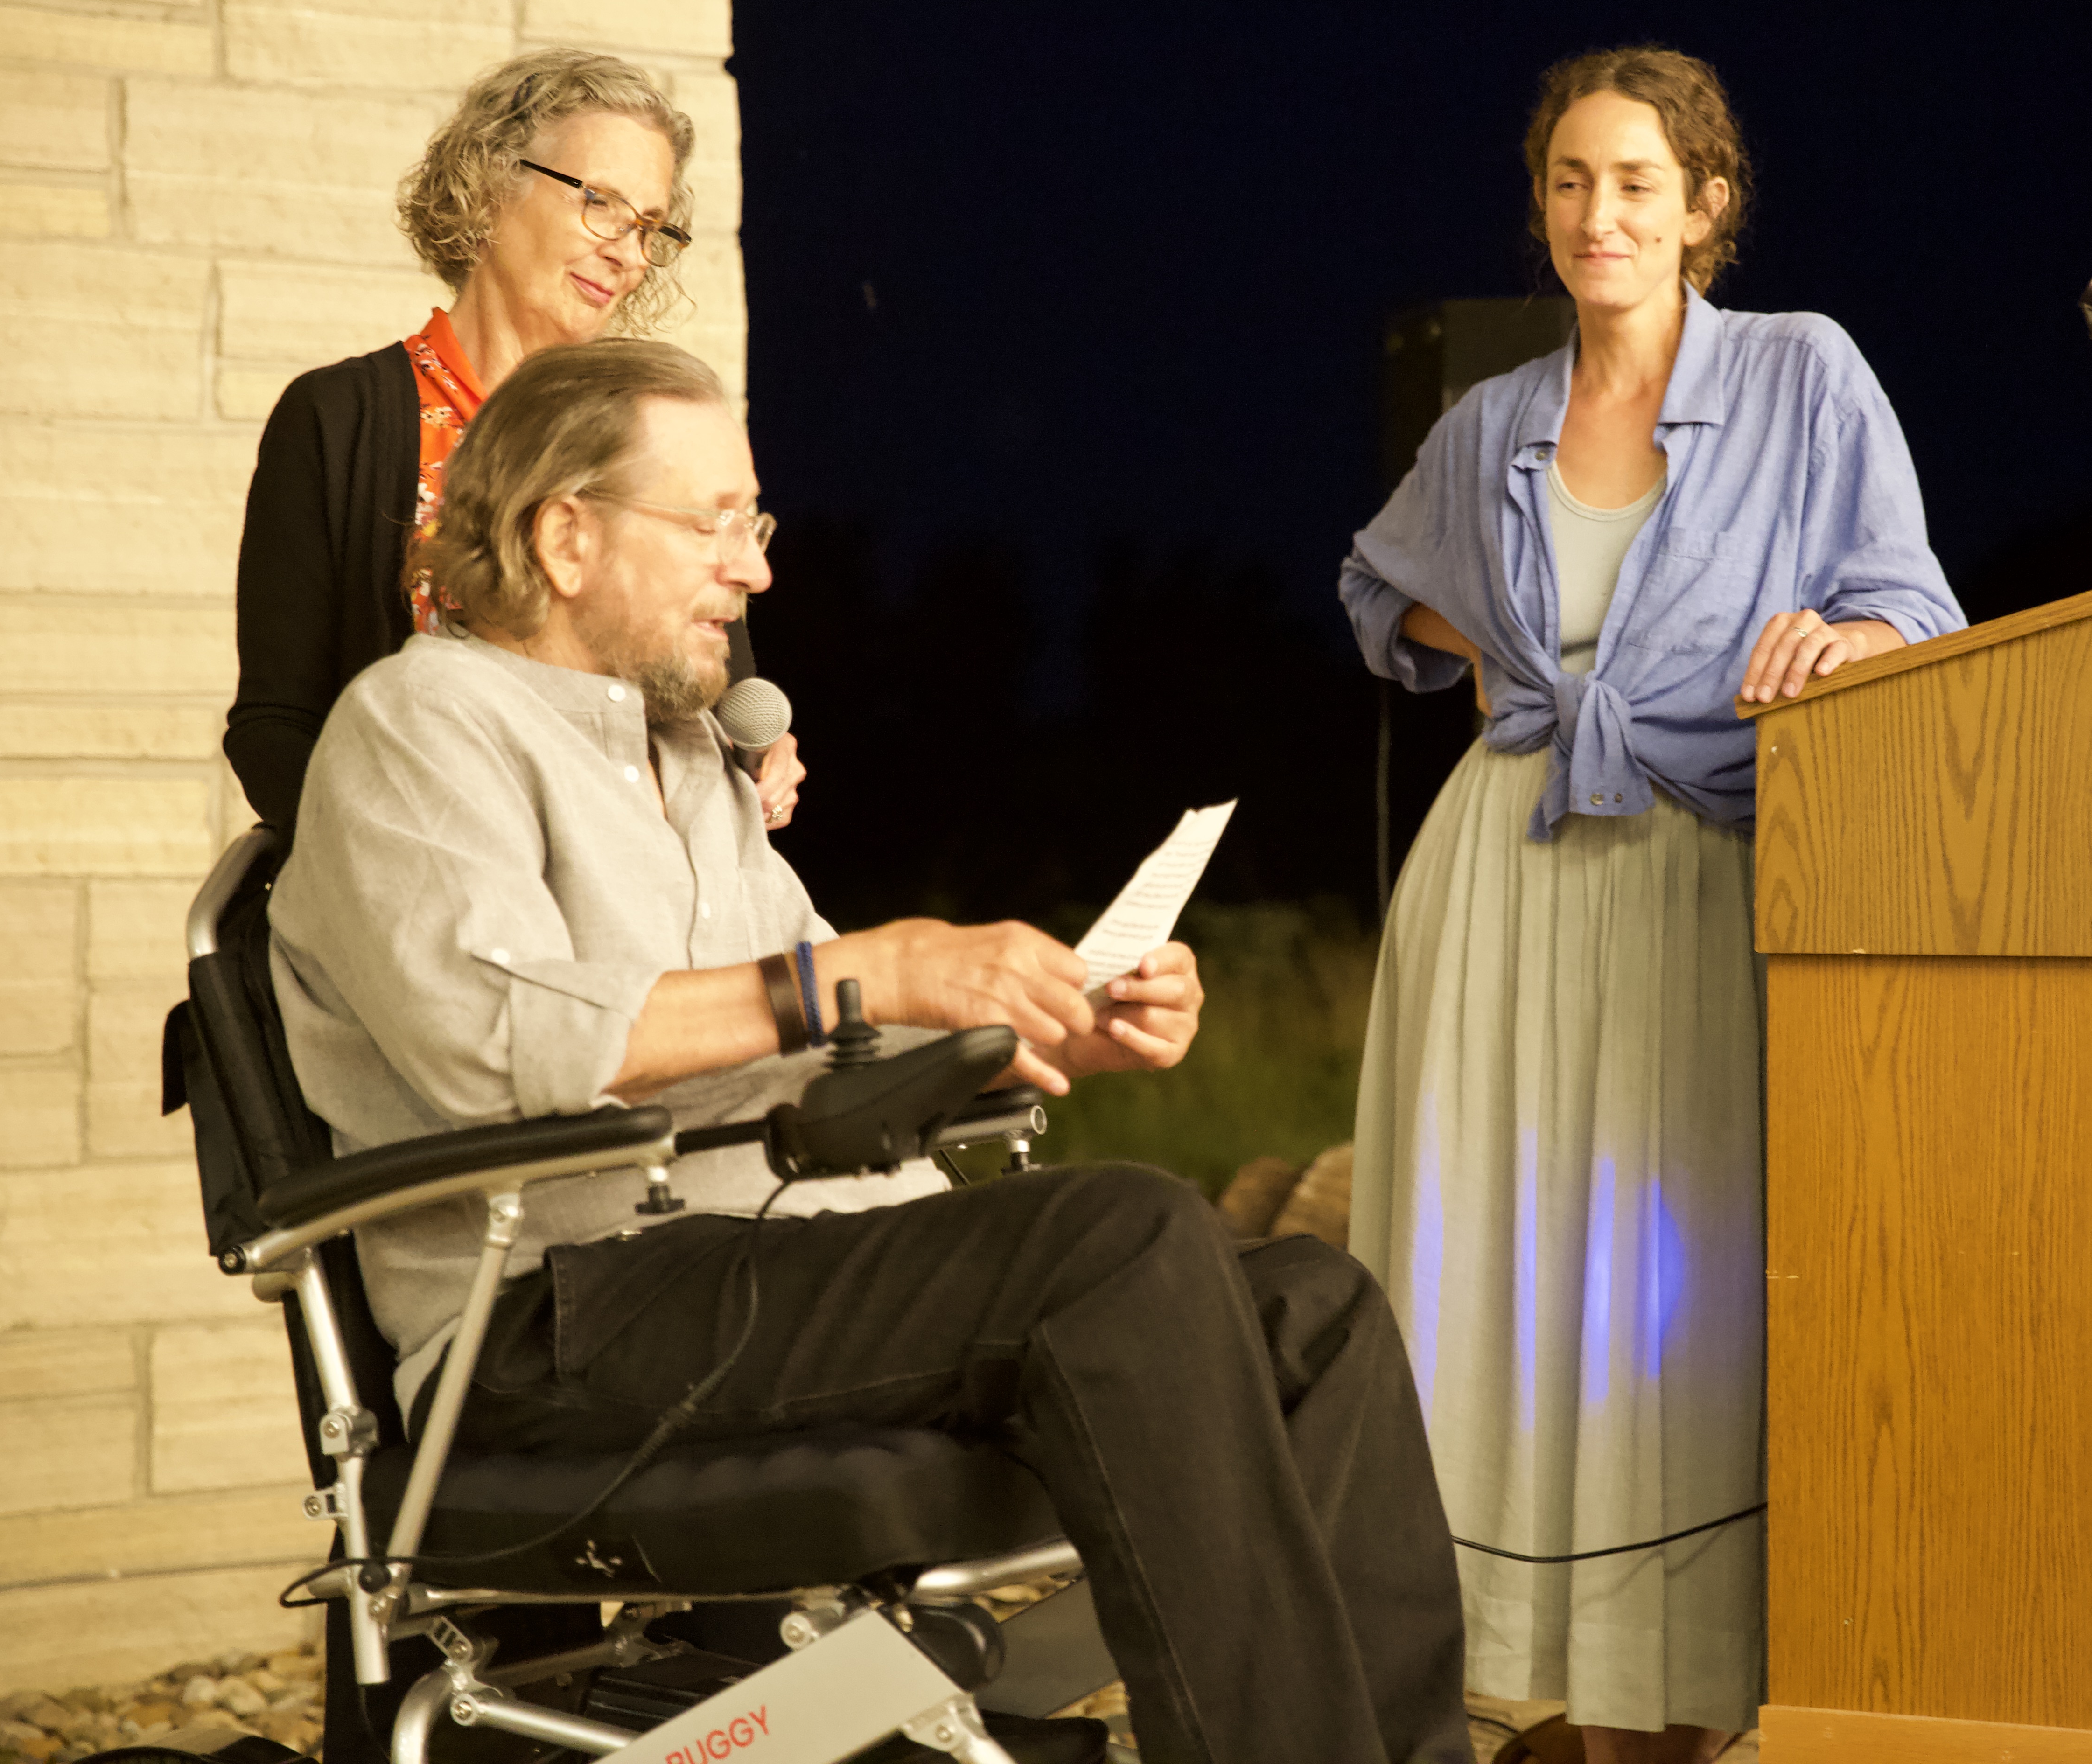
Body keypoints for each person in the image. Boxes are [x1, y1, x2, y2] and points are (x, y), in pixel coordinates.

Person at [268, 337, 1475, 1764]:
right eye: (712, 522)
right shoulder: (419, 727)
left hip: (765, 1267)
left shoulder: (684, 763)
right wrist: (868, 967)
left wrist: (1041, 1032)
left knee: (1313, 1309)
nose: (755, 568)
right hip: (562, 1315)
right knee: (1127, 1235)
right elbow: (498, 1045)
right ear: (564, 535)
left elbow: (814, 1043)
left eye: (755, 522)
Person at [1338, 48, 1965, 1764]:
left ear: (1707, 207)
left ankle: (1667, 1689)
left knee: (1672, 1306)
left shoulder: (1806, 376)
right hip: (1499, 880)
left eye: (1633, 182)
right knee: (1494, 1275)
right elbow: (1374, 589)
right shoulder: (1488, 422)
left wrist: (1848, 643)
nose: (1595, 213)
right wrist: (1532, 666)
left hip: (1700, 878)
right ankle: (1512, 1676)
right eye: (1566, 180)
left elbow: (1915, 604)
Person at [224, 47, 801, 835]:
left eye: (650, 229)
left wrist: (758, 751)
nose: (630, 255)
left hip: (632, 880)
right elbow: (274, 730)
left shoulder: (651, 431)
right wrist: (417, 854)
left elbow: (725, 687)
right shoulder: (338, 418)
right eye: (602, 203)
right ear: (491, 187)